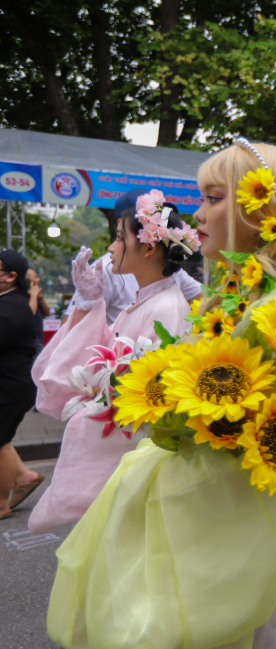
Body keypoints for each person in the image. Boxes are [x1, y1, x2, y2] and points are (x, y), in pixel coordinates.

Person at [46, 139, 276, 647]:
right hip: (244, 547)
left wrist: (156, 468)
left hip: (250, 553)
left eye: (213, 197)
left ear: (262, 208)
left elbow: (267, 452)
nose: (197, 212)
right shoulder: (245, 293)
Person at [29, 190, 197, 534]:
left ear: (149, 247)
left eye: (119, 238)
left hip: (142, 466)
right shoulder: (150, 298)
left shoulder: (166, 307)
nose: (110, 248)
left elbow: (151, 404)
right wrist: (88, 305)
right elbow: (102, 357)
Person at [64, 189, 202, 324]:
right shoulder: (104, 270)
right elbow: (69, 333)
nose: (162, 227)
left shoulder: (167, 269)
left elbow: (204, 299)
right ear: (121, 222)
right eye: (150, 217)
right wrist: (88, 303)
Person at [0, 249, 44, 520]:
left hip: (10, 388)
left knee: (0, 443)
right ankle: (25, 476)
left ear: (10, 277)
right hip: (9, 385)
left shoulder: (12, 307)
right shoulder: (10, 302)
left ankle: (2, 504)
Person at [26, 268, 51, 353]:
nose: (38, 279)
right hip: (29, 342)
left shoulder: (37, 296)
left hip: (39, 340)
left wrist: (41, 299)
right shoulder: (22, 296)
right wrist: (33, 296)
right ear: (27, 280)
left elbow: (47, 313)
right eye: (35, 277)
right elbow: (29, 314)